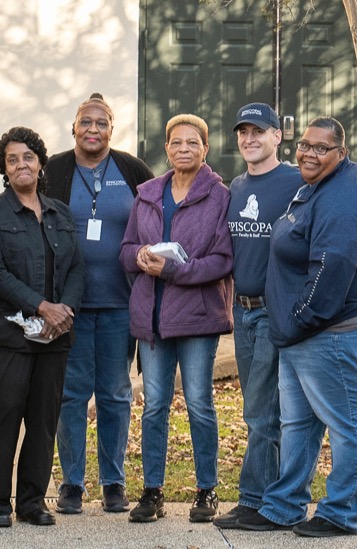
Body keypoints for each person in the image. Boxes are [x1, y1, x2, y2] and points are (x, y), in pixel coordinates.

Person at [236, 117, 357, 537]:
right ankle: (285, 505)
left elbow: (331, 266)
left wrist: (300, 317)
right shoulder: (314, 186)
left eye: (322, 148)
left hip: (332, 331)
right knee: (298, 424)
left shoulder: (344, 193)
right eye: (305, 145)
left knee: (345, 424)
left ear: (342, 152)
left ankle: (340, 512)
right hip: (301, 334)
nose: (310, 154)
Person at [119, 114, 233, 524]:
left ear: (205, 149)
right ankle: (152, 491)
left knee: (200, 404)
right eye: (176, 143)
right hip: (153, 317)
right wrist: (138, 257)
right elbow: (127, 248)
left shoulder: (220, 196)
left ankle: (207, 491)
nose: (184, 149)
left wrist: (172, 270)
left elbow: (222, 261)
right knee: (154, 408)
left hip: (198, 319)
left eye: (193, 142)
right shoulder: (147, 194)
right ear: (166, 148)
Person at [45, 93, 154, 514]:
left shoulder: (131, 170)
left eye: (101, 123)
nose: (93, 130)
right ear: (74, 128)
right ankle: (71, 483)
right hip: (66, 306)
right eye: (85, 122)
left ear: (113, 129)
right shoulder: (53, 169)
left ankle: (113, 482)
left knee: (114, 392)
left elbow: (159, 214)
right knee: (70, 394)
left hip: (119, 303)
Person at [0, 127, 85, 528]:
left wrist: (65, 310)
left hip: (55, 337)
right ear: (5, 169)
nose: (21, 164)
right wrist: (41, 306)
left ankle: (33, 500)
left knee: (43, 418)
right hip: (10, 337)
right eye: (12, 159)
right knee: (5, 414)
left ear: (40, 163)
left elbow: (75, 267)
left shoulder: (60, 212)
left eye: (28, 157)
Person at [214, 103, 304, 528]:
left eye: (259, 131)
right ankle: (273, 498)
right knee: (259, 406)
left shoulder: (296, 181)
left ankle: (257, 502)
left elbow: (335, 220)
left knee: (264, 411)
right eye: (243, 132)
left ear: (277, 137)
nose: (249, 139)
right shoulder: (236, 185)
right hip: (242, 310)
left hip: (274, 310)